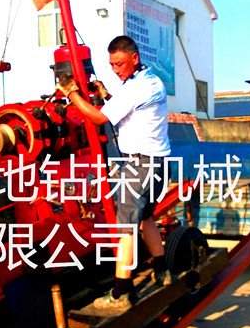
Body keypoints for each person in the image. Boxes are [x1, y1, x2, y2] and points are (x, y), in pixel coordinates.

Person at [56, 35, 171, 310]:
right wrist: (107, 96)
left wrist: (71, 93)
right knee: (146, 217)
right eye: (112, 65)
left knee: (125, 227)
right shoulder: (150, 81)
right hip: (159, 162)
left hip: (141, 165)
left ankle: (122, 292)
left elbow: (98, 117)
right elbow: (130, 111)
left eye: (120, 64)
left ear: (134, 58)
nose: (116, 69)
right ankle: (163, 271)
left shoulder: (135, 88)